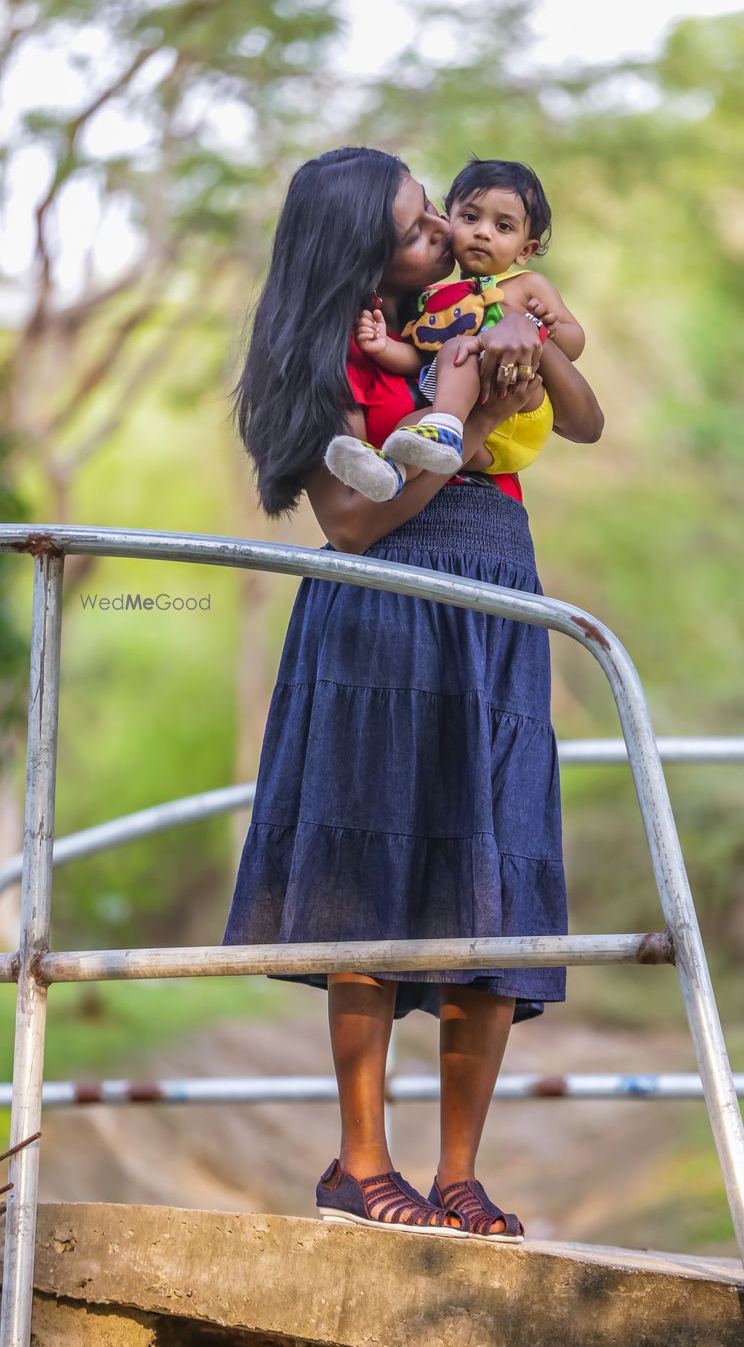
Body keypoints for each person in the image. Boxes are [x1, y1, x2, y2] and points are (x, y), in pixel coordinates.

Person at [224, 146, 604, 1240]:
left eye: (444, 219)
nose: (444, 234)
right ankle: (358, 1160)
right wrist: (472, 424)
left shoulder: (467, 316)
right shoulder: (329, 354)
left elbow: (578, 413)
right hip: (381, 611)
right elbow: (353, 524)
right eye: (419, 226)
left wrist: (513, 371)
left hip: (493, 594)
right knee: (370, 866)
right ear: (358, 246)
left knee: (493, 865)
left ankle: (462, 1175)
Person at [323, 158, 585, 502]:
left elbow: (574, 342)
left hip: (518, 412)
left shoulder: (526, 286)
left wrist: (540, 326)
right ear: (451, 220)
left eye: (503, 226)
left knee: (455, 351)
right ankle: (390, 471)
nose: (482, 232)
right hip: (475, 429)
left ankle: (444, 429)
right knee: (406, 431)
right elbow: (419, 358)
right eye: (470, 218)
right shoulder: (433, 301)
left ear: (525, 249)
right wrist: (381, 347)